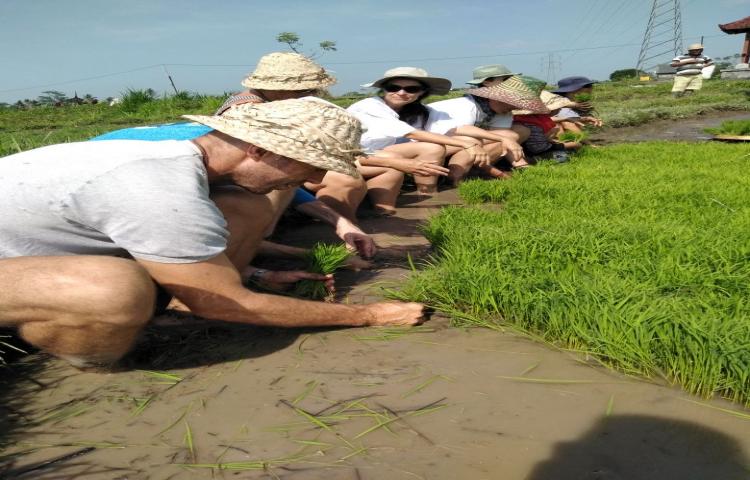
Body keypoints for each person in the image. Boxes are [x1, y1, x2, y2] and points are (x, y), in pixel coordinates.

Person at [0, 99, 425, 369]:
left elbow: (179, 240)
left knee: (249, 203)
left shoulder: (182, 160)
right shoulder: (155, 185)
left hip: (34, 255)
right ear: (258, 149)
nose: (314, 178)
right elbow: (228, 306)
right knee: (111, 291)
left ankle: (162, 302)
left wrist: (257, 275)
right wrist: (366, 316)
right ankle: (94, 355)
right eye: (310, 166)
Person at [332, 67, 488, 215]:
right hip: (354, 154)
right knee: (431, 148)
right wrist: (466, 144)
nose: (401, 93)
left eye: (411, 89)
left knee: (458, 140)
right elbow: (413, 134)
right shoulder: (369, 106)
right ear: (384, 89)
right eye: (393, 88)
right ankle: (427, 193)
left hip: (380, 152)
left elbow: (453, 129)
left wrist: (490, 140)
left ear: (421, 93)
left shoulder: (418, 111)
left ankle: (421, 199)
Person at [426, 75, 548, 183]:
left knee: (514, 134)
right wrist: (498, 173)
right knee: (472, 141)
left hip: (462, 147)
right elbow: (459, 132)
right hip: (429, 146)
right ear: (498, 98)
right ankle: (453, 174)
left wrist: (520, 165)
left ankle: (469, 172)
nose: (516, 107)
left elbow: (502, 142)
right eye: (514, 103)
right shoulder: (466, 107)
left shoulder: (502, 112)